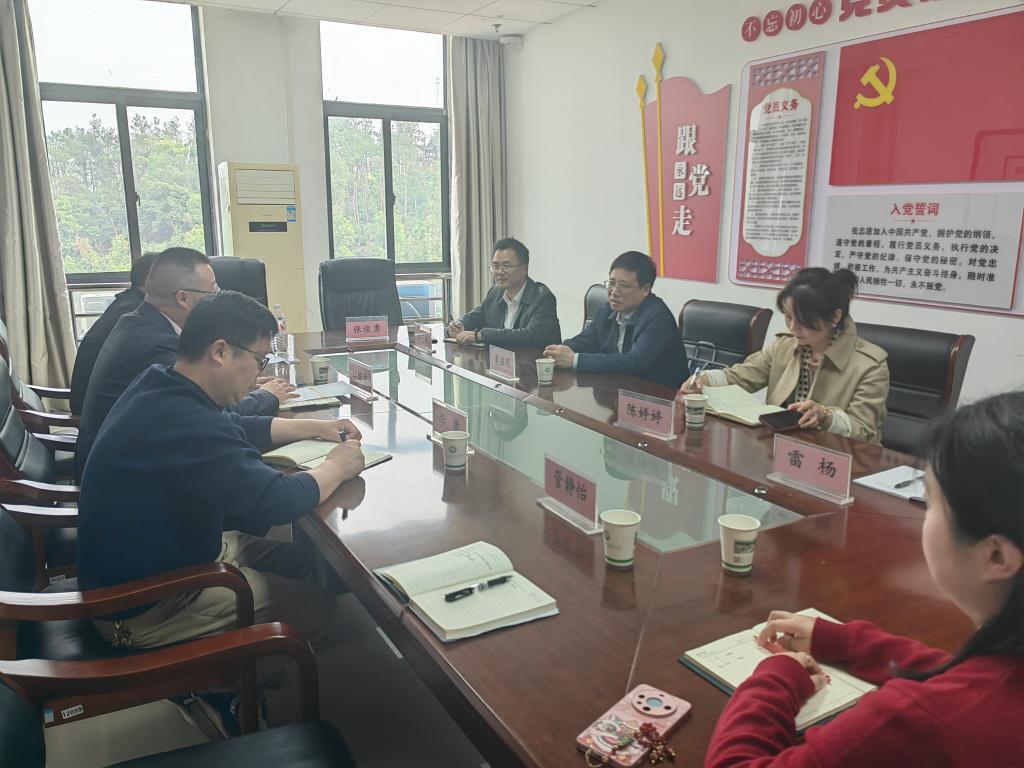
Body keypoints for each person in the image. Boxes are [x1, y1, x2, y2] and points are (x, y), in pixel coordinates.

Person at [706, 391, 1024, 766]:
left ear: (995, 556)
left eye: (930, 501)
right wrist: (851, 644)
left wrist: (776, 678)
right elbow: (972, 679)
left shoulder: (918, 719)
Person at [77, 290, 366, 653]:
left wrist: (315, 427)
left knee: (307, 563)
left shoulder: (161, 381)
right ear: (220, 351)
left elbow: (232, 425)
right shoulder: (187, 421)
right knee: (318, 608)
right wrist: (337, 466)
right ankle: (238, 681)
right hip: (146, 605)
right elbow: (277, 500)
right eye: (258, 360)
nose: (258, 374)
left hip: (182, 556)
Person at [74, 247, 294, 481]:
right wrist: (267, 396)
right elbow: (209, 413)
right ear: (183, 298)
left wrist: (242, 381)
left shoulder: (138, 320)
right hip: (126, 480)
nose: (217, 298)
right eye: (213, 291)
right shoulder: (157, 345)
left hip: (124, 461)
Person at [679, 268, 889, 443]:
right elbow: (743, 375)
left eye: (804, 320)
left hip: (837, 459)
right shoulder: (786, 344)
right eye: (788, 317)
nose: (793, 327)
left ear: (835, 317)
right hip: (781, 448)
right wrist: (705, 380)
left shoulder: (870, 365)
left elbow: (864, 431)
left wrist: (825, 416)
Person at [543, 251, 687, 388]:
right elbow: (587, 340)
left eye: (624, 286)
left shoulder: (658, 318)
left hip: (660, 396)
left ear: (645, 289)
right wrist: (561, 351)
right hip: (620, 390)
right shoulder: (607, 310)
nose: (614, 292)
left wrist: (575, 360)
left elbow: (634, 362)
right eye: (611, 283)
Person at [70, 252, 157, 415]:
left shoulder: (126, 302)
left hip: (92, 400)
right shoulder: (135, 313)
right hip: (99, 412)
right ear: (149, 281)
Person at [448, 238, 561, 348]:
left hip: (534, 359)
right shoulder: (495, 292)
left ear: (525, 269)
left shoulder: (542, 297)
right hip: (502, 359)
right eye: (495, 266)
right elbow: (476, 316)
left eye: (506, 266)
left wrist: (482, 335)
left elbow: (529, 335)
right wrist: (459, 325)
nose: (499, 272)